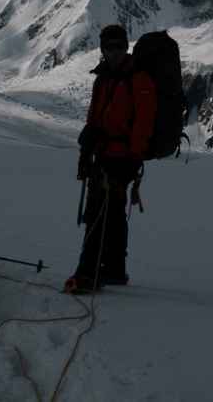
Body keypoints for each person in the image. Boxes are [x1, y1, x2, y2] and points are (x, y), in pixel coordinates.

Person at [65, 24, 156, 294]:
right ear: (103, 49)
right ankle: (114, 270)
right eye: (109, 47)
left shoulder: (139, 79)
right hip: (102, 154)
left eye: (118, 46)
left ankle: (87, 273)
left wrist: (133, 159)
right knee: (113, 214)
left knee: (97, 212)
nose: (114, 52)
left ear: (125, 46)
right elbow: (95, 117)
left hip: (122, 157)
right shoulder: (103, 78)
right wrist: (85, 152)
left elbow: (144, 123)